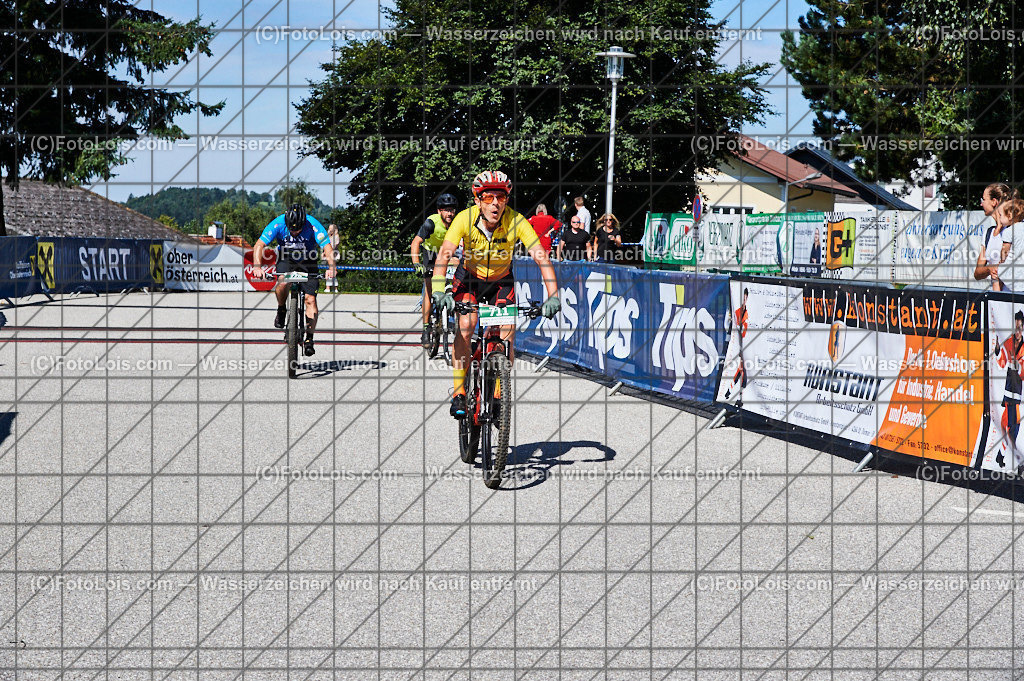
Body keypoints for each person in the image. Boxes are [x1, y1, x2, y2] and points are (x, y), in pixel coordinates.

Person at [430, 170, 561, 418]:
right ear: (478, 201)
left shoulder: (516, 221)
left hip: (502, 281)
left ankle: (500, 393)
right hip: (469, 279)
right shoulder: (463, 219)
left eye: (500, 198)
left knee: (507, 335)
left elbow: (542, 258)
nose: (495, 204)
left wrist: (553, 295)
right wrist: (438, 290)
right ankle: (459, 392)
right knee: (467, 325)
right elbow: (444, 254)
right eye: (488, 197)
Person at [252, 204, 335, 356]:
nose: (295, 232)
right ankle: (281, 307)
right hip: (287, 259)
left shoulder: (313, 224)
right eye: (291, 229)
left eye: (298, 229)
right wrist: (257, 266)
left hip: (308, 261)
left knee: (310, 300)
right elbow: (259, 244)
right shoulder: (277, 223)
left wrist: (332, 268)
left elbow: (327, 248)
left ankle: (309, 339)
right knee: (282, 281)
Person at [411, 193, 459, 346]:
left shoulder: (457, 223)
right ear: (439, 211)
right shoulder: (431, 223)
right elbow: (415, 242)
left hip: (448, 253)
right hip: (430, 254)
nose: (449, 213)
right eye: (446, 210)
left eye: (452, 210)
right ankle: (426, 328)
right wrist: (417, 263)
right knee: (429, 289)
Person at [975, 197, 1024, 291]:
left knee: (997, 274)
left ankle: (997, 296)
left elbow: (1005, 250)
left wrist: (1001, 261)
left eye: (1001, 215)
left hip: (1011, 266)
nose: (1000, 218)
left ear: (1009, 216)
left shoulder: (1008, 231)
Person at [996, 310, 1024, 471]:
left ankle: (1001, 454)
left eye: (1020, 327)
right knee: (1014, 426)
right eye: (1016, 326)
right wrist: (998, 350)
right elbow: (1000, 364)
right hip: (1009, 394)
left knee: (1010, 426)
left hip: (1017, 393)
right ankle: (1014, 459)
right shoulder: (1008, 342)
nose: (1018, 330)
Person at [324, 224, 340, 292]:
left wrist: (327, 251)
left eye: (331, 228)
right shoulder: (328, 237)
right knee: (328, 271)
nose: (330, 230)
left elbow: (334, 246)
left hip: (334, 255)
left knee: (333, 270)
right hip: (327, 255)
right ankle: (328, 287)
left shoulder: (336, 237)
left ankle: (334, 287)